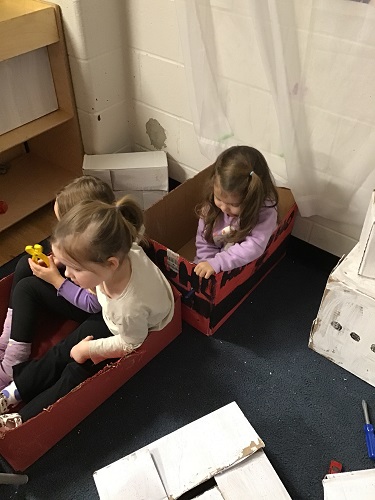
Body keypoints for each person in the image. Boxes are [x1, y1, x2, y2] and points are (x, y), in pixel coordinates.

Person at [0, 197, 174, 430]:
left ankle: (23, 419)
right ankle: (13, 392)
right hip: (108, 311)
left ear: (110, 264)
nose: (69, 274)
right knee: (62, 351)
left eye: (76, 268)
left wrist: (89, 350)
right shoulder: (118, 253)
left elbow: (132, 342)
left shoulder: (128, 310)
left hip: (124, 329)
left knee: (75, 366)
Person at [0, 175, 116, 390]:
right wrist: (60, 263)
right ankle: (5, 341)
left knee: (27, 289)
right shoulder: (88, 243)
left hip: (91, 309)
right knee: (25, 266)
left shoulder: (103, 255)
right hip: (76, 287)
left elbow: (94, 304)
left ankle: (13, 361)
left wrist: (56, 279)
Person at [194, 145, 279, 279]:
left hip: (245, 257)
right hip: (222, 250)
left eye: (234, 204)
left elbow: (254, 246)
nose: (223, 208)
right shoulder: (212, 206)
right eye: (219, 199)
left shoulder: (265, 212)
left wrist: (218, 262)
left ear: (253, 199)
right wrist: (206, 261)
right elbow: (204, 238)